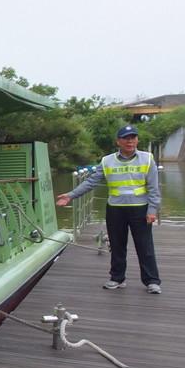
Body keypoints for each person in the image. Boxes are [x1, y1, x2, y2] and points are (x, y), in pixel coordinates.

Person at [56, 125, 161, 294]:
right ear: (118, 141)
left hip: (140, 209)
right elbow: (91, 182)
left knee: (145, 247)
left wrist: (152, 210)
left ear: (137, 140)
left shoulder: (147, 159)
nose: (130, 141)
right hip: (115, 209)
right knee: (117, 246)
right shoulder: (107, 161)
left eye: (133, 138)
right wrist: (71, 195)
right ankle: (117, 278)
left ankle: (152, 281)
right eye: (126, 138)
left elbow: (154, 188)